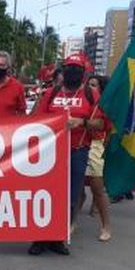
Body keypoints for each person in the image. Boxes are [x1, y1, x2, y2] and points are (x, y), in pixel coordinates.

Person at [28, 54, 103, 256]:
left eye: (77, 69)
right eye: (69, 67)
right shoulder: (52, 93)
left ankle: (57, 239)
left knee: (70, 197)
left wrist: (82, 122)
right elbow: (37, 120)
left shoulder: (91, 94)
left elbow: (101, 123)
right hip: (50, 153)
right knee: (45, 195)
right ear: (63, 70)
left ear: (83, 73)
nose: (72, 71)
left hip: (77, 152)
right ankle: (40, 238)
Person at [78, 75, 112, 242]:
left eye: (94, 85)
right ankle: (72, 221)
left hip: (95, 145)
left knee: (97, 187)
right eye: (88, 84)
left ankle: (106, 226)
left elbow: (108, 129)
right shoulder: (82, 100)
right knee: (76, 187)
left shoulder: (103, 106)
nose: (90, 87)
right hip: (78, 144)